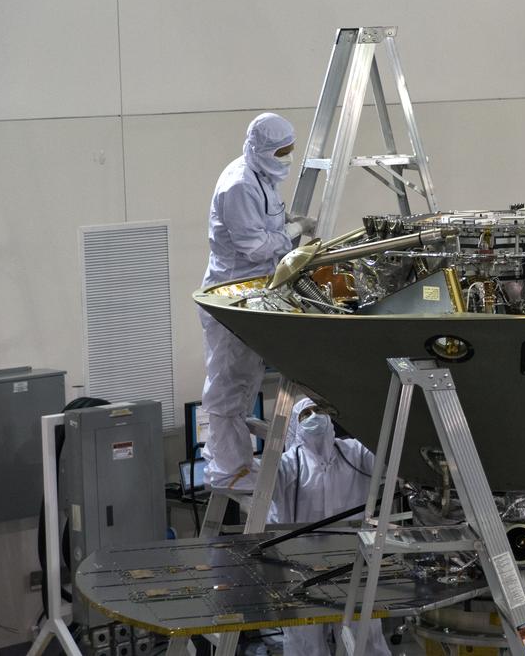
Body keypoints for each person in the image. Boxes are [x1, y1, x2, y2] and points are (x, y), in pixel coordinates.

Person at [199, 113, 313, 491]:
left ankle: (239, 463)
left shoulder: (263, 177)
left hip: (255, 294)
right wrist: (294, 232)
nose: (287, 159)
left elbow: (266, 230)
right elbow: (254, 247)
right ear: (261, 150)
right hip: (231, 298)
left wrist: (286, 226)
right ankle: (227, 469)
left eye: (289, 151)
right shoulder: (239, 186)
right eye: (281, 152)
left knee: (245, 381)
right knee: (227, 384)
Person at [269, 398, 390, 656]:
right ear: (295, 425)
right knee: (305, 643)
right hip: (300, 569)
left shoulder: (355, 454)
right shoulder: (290, 465)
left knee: (365, 639)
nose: (314, 417)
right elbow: (257, 483)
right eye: (306, 414)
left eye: (320, 410)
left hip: (352, 564)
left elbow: (389, 456)